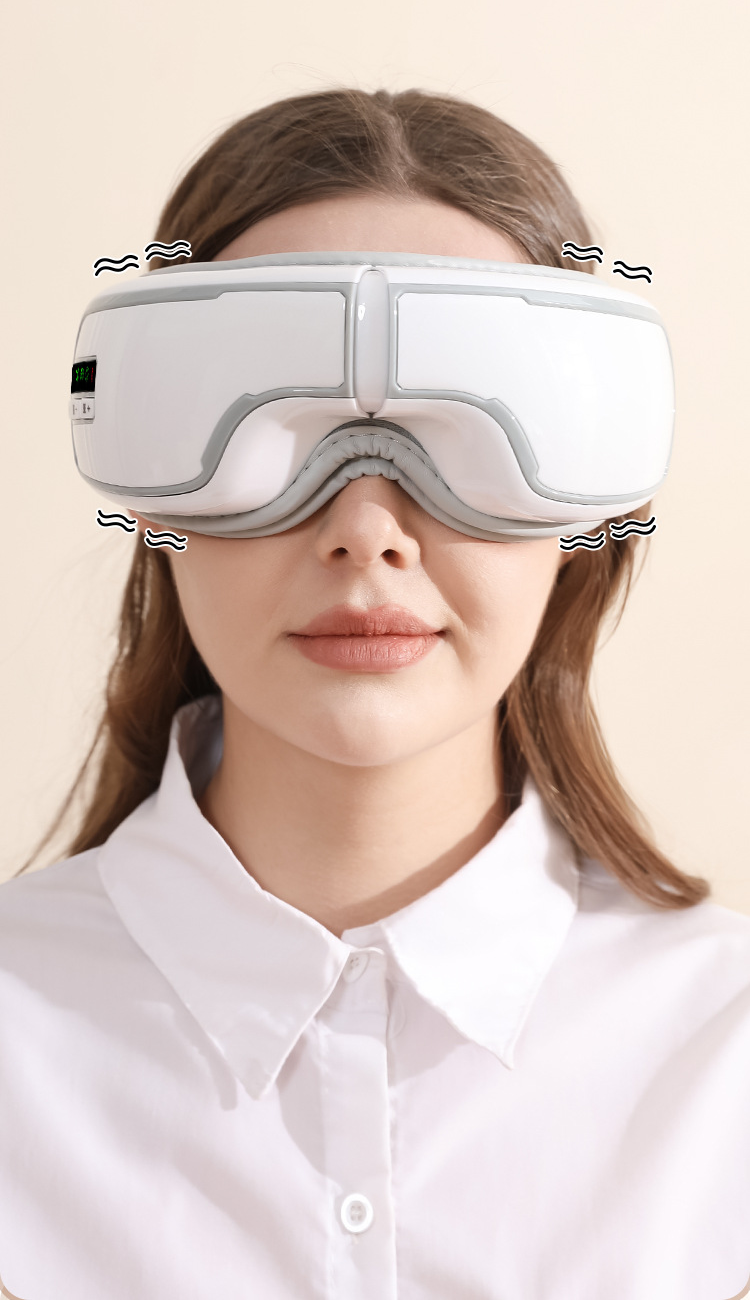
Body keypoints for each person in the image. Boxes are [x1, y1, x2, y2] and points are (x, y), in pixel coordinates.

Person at [0, 87, 748, 1300]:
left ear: (581, 510)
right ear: (151, 488)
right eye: (268, 422)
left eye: (470, 433)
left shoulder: (725, 1056)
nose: (366, 526)